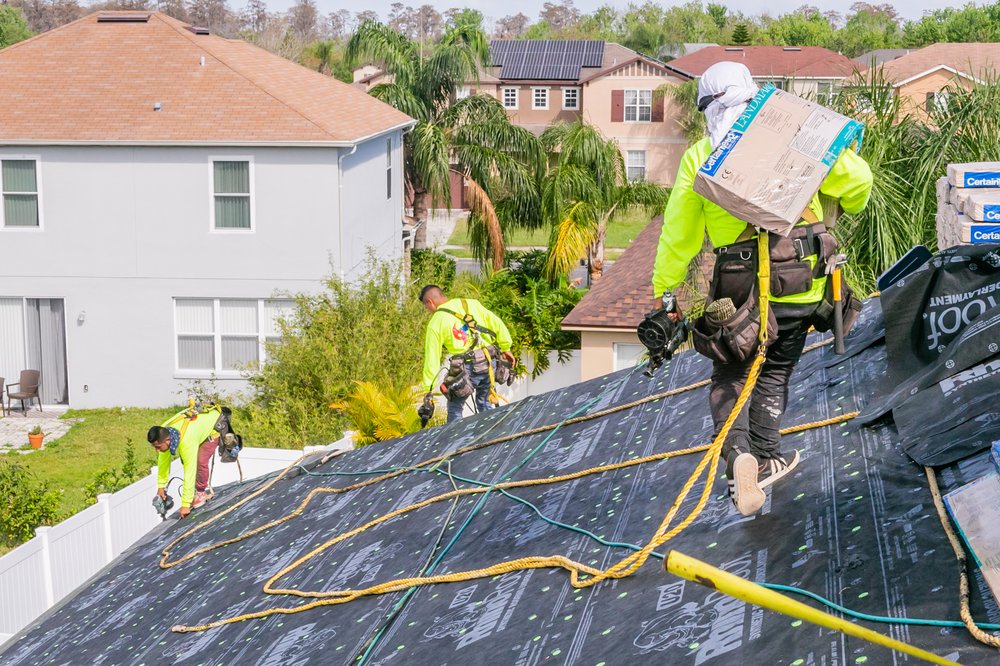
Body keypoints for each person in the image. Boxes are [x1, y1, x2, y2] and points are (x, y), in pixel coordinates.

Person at [652, 61, 873, 516]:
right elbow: (859, 182)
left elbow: (680, 234)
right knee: (776, 369)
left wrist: (665, 289)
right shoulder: (795, 139)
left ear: (709, 108)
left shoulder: (701, 154)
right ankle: (767, 455)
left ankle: (740, 457)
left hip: (742, 291)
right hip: (803, 279)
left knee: (732, 374)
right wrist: (841, 200)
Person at [420, 285, 516, 423]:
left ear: (430, 302)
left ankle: (455, 442)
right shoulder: (470, 303)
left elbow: (432, 358)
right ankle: (490, 437)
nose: (428, 310)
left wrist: (428, 389)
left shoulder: (436, 322)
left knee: (455, 408)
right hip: (489, 363)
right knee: (484, 403)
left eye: (426, 306)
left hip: (466, 369)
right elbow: (497, 323)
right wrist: (506, 347)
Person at [147, 405, 224, 518]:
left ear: (168, 441)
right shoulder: (163, 431)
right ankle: (192, 493)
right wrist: (161, 487)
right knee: (187, 459)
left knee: (199, 461)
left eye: (158, 446)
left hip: (215, 424)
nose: (156, 450)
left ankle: (201, 492)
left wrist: (185, 505)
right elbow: (163, 463)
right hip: (197, 428)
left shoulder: (186, 441)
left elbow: (190, 471)